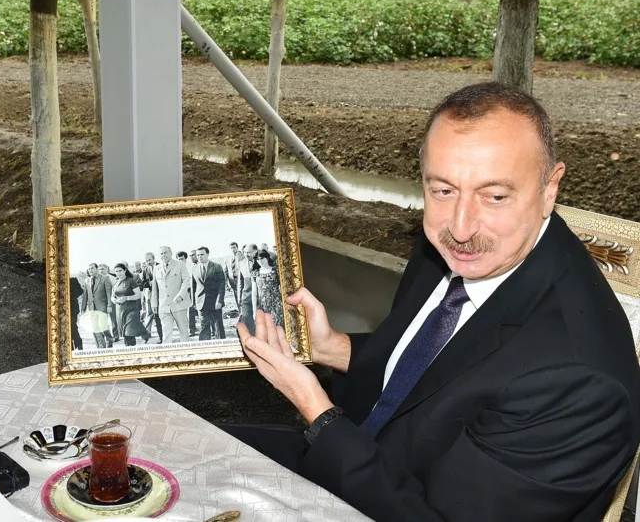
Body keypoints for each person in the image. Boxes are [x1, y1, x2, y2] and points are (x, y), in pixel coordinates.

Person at [234, 83, 640, 520]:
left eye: (495, 196)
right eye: (443, 189)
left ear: (550, 188)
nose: (461, 227)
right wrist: (333, 348)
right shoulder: (461, 245)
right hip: (370, 459)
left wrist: (316, 409)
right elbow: (438, 370)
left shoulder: (582, 387)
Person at [154, 246, 193, 343]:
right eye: (161, 254)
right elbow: (155, 288)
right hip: (164, 306)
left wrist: (180, 295)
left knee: (183, 331)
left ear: (171, 253)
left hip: (178, 304)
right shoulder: (156, 268)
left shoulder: (180, 265)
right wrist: (154, 304)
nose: (163, 255)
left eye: (165, 252)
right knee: (166, 333)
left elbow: (186, 281)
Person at [111, 262, 150, 346]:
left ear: (125, 270)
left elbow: (138, 295)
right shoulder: (115, 282)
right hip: (120, 310)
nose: (118, 273)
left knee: (129, 332)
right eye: (116, 271)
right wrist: (113, 300)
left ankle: (132, 349)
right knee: (125, 332)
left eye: (120, 270)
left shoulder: (131, 280)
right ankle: (144, 334)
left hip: (131, 309)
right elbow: (112, 296)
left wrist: (126, 298)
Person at [192, 247, 227, 341]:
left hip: (215, 302)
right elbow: (193, 287)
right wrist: (194, 302)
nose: (199, 257)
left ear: (207, 254)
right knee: (203, 327)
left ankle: (222, 346)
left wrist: (219, 300)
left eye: (202, 254)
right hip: (201, 302)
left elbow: (222, 285)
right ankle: (205, 348)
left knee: (218, 325)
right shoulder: (194, 269)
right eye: (198, 255)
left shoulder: (216, 266)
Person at [252, 249, 284, 330]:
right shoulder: (255, 273)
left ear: (267, 257)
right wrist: (254, 310)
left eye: (262, 258)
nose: (260, 261)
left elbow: (283, 288)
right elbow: (254, 293)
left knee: (278, 329)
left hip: (277, 305)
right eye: (258, 259)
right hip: (263, 306)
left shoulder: (276, 270)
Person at [237, 243, 258, 335]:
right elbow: (240, 282)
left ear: (255, 252)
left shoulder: (261, 262)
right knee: (246, 320)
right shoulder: (241, 263)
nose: (246, 254)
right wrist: (239, 296)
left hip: (259, 297)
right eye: (245, 252)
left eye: (249, 252)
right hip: (246, 297)